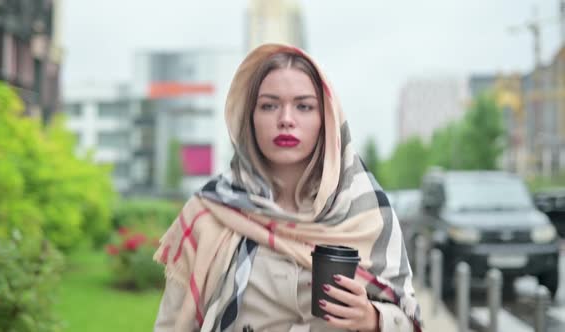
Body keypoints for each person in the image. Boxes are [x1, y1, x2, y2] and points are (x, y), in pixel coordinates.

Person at [153, 43, 422, 332]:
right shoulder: (211, 212)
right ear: (249, 117)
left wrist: (374, 319)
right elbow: (170, 324)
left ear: (326, 119)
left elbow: (410, 318)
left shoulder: (367, 213)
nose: (286, 120)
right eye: (269, 105)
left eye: (304, 106)